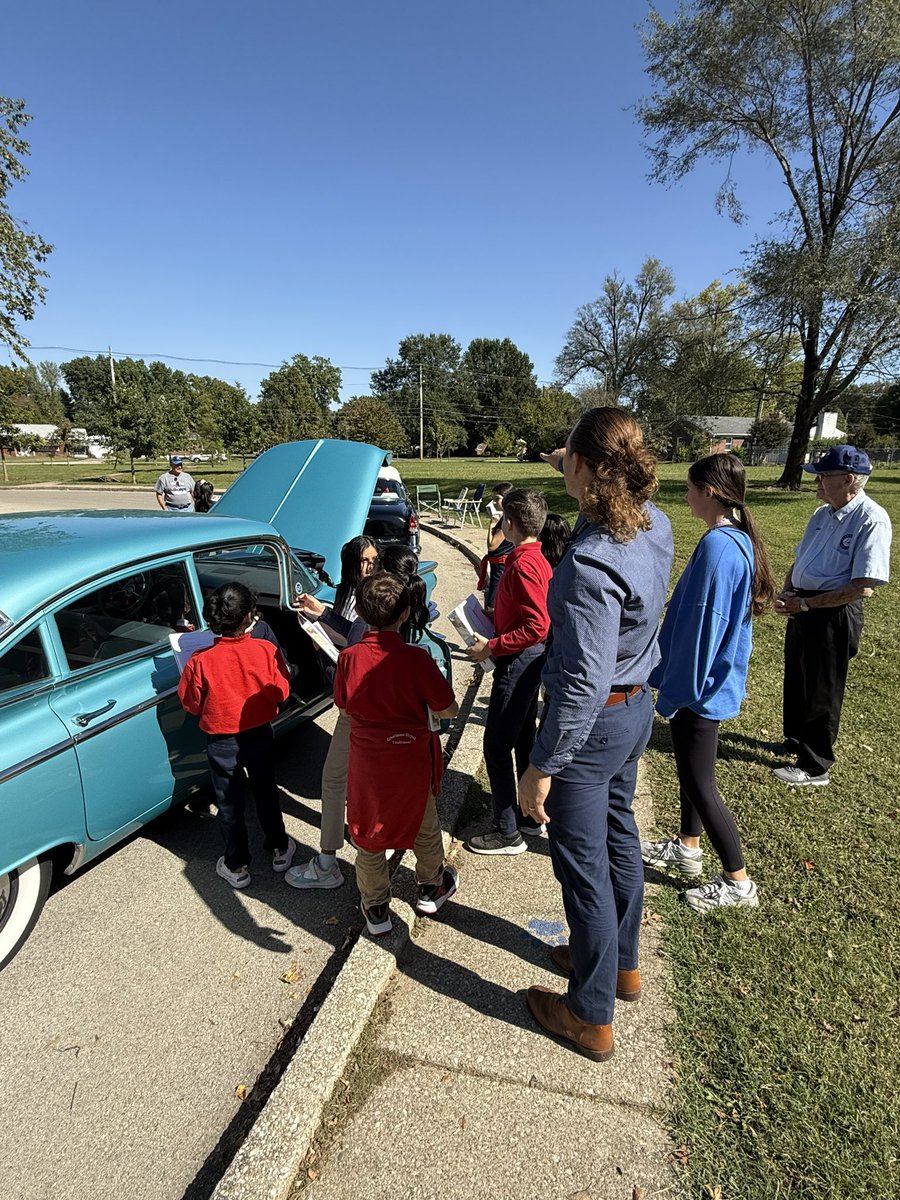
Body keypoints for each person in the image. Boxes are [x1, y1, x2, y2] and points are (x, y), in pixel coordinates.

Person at [517, 408, 673, 1062]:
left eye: (568, 462)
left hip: (593, 722)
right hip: (635, 710)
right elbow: (588, 467)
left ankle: (590, 1013)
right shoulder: (655, 522)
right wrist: (567, 454)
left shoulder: (588, 564)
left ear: (584, 469)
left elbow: (580, 681)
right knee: (618, 837)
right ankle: (621, 964)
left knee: (582, 870)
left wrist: (542, 764)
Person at [641, 453, 775, 912]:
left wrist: (677, 691)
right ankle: (688, 848)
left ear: (710, 492)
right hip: (707, 682)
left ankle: (738, 883)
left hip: (702, 687)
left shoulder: (720, 548)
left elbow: (705, 628)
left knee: (700, 783)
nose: (687, 495)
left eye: (692, 487)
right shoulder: (731, 538)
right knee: (689, 773)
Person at [333, 572, 459, 935]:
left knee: (368, 831)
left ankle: (375, 907)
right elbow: (448, 707)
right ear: (406, 613)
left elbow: (343, 707)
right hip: (411, 758)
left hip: (368, 761)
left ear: (361, 612)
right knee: (424, 821)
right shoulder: (415, 659)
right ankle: (431, 885)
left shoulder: (349, 657)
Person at [772, 444, 892, 786]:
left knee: (823, 686)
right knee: (798, 676)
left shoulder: (871, 519)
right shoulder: (821, 514)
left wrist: (808, 604)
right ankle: (795, 740)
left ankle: (814, 765)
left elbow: (862, 586)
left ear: (849, 480)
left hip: (833, 612)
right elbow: (801, 556)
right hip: (803, 605)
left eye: (825, 476)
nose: (818, 482)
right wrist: (789, 590)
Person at [178, 582, 296, 888]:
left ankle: (237, 864)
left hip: (221, 740)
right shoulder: (265, 649)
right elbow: (283, 689)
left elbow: (191, 704)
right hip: (259, 732)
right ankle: (280, 848)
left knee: (228, 803)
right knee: (266, 790)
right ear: (249, 617)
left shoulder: (198, 661)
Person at [286, 536, 380, 890]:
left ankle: (327, 863)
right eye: (363, 561)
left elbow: (355, 648)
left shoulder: (372, 595)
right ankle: (363, 839)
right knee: (358, 775)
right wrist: (323, 613)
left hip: (357, 701)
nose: (369, 567)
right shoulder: (355, 594)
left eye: (373, 560)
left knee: (334, 778)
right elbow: (351, 628)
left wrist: (322, 641)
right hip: (364, 700)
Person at [464, 489, 553, 854]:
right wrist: (494, 619)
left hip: (519, 663)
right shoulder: (532, 557)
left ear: (509, 523)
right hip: (524, 660)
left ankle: (506, 831)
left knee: (496, 746)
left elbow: (538, 625)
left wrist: (493, 646)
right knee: (521, 738)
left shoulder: (524, 564)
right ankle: (530, 818)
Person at [477, 482, 514, 615]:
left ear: (507, 498)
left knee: (492, 602)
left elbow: (492, 545)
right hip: (497, 564)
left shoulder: (507, 519)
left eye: (497, 499)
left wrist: (492, 525)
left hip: (500, 565)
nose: (494, 503)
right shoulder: (505, 517)